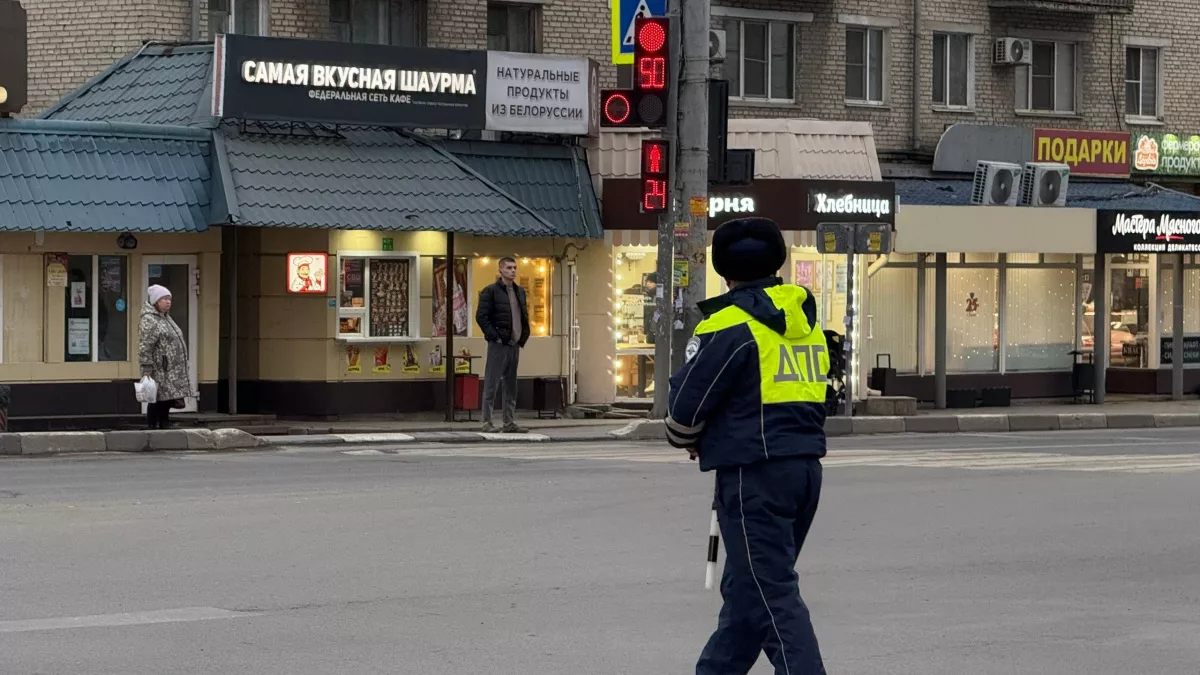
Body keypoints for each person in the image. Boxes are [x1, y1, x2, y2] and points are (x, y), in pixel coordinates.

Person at [665, 217, 830, 675]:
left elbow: (684, 409)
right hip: (804, 472)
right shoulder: (805, 320)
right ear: (778, 263)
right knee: (746, 595)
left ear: (724, 272)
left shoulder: (730, 325)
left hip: (752, 475)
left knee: (771, 596)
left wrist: (690, 440)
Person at [475, 257, 531, 433]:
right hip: (499, 344)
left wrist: (522, 337)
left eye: (515, 268)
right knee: (492, 383)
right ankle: (487, 422)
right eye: (508, 268)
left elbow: (523, 315)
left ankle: (508, 422)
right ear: (500, 270)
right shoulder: (490, 291)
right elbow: (481, 317)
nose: (513, 271)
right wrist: (495, 336)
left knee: (511, 385)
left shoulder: (519, 291)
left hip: (514, 344)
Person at [138, 285, 191, 429]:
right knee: (156, 398)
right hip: (159, 368)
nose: (168, 302)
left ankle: (163, 422)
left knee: (166, 398)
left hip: (169, 369)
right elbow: (145, 346)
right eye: (164, 299)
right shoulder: (150, 320)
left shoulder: (165, 318)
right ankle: (153, 425)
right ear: (156, 301)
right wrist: (147, 369)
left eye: (169, 299)